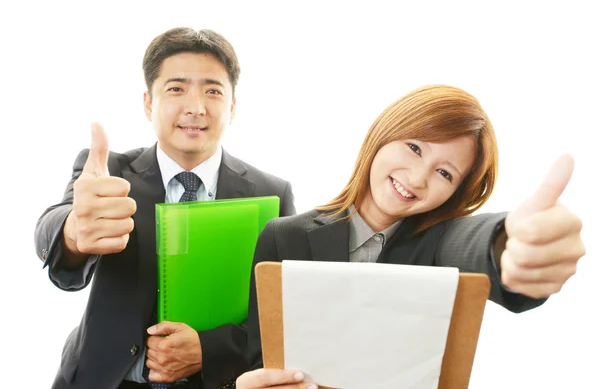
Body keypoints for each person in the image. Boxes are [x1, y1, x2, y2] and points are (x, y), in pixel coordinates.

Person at [235, 84, 585, 389]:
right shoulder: (283, 237)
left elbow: (473, 242)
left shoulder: (439, 243)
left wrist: (510, 244)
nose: (417, 178)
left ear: (455, 193)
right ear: (384, 134)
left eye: (445, 173)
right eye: (415, 148)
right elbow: (261, 360)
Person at [34, 27, 296, 389]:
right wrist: (73, 233)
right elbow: (57, 228)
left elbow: (279, 313)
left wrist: (208, 348)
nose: (195, 107)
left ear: (232, 106)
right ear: (148, 103)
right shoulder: (109, 172)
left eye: (213, 91)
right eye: (176, 88)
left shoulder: (272, 193)